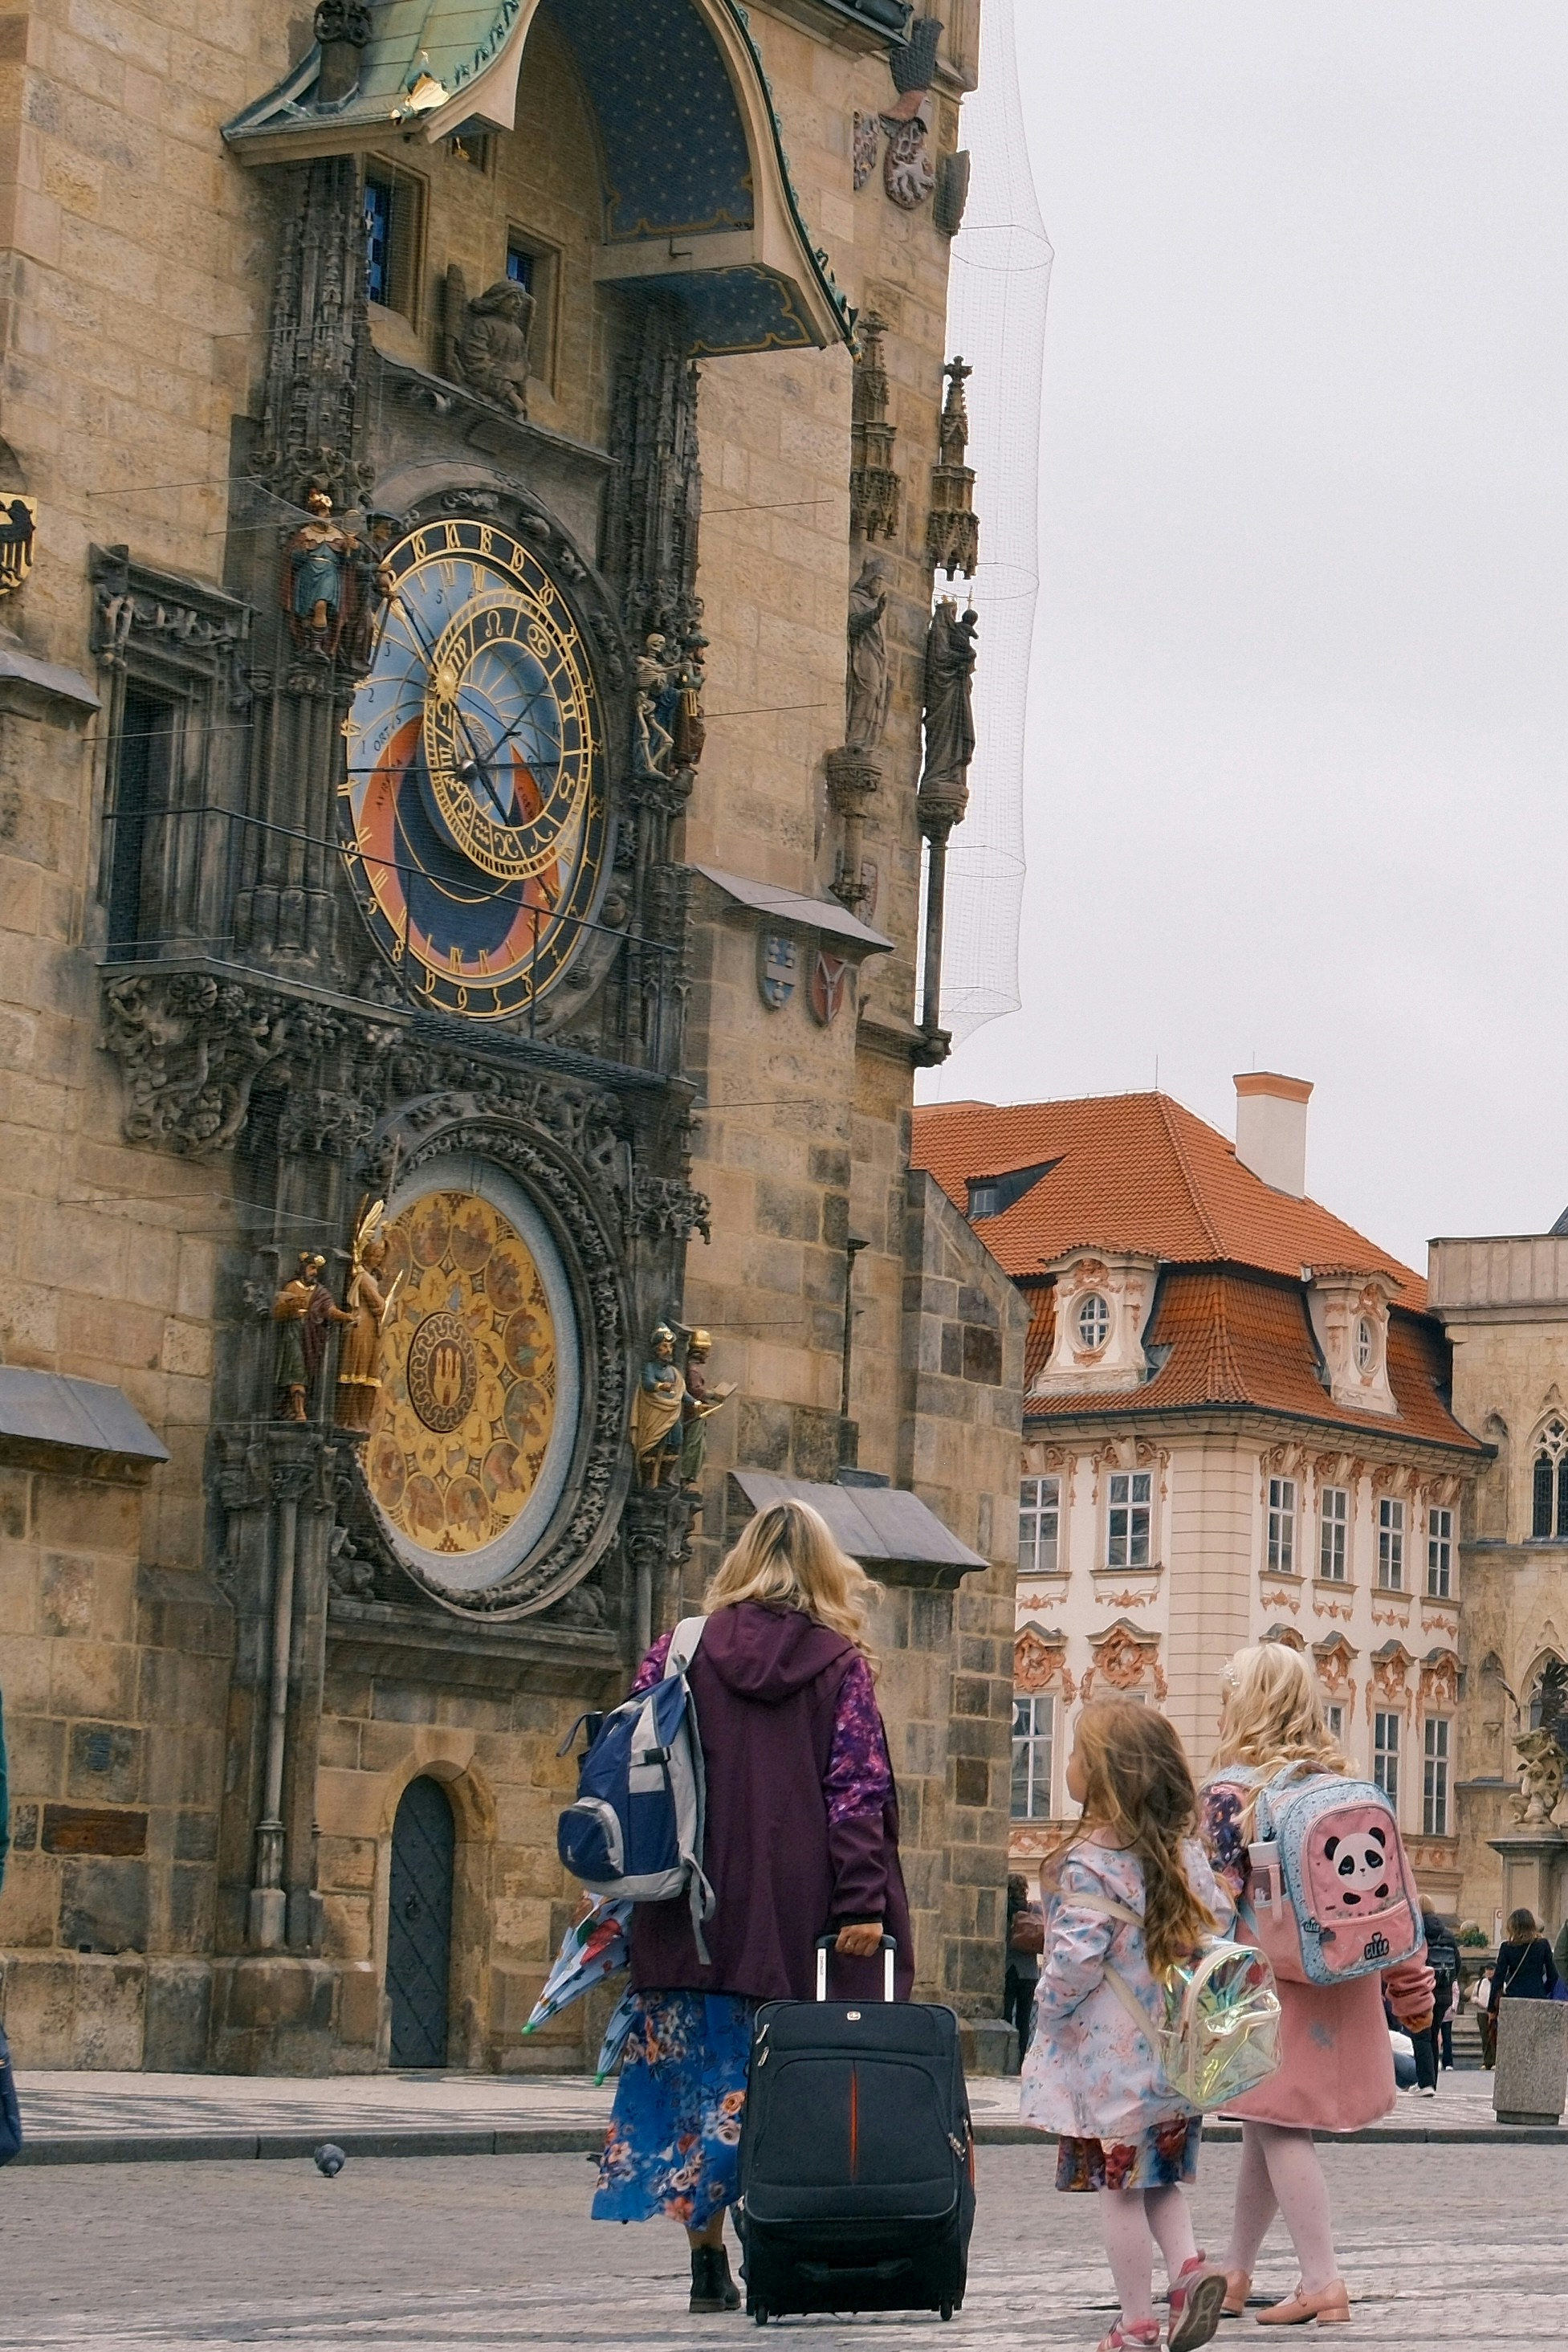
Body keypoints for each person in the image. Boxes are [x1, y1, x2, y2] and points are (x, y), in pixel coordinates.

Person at [592, 1499, 911, 2315]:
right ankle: (772, 2245)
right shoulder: (837, 1663)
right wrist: (863, 1902)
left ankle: (706, 2256)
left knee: (693, 2088)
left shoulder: (679, 1649)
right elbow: (857, 1793)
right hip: (789, 1915)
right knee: (775, 2091)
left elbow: (630, 1758)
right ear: (824, 1571)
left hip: (683, 1904)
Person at [1202, 1645, 1434, 2327]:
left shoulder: (1230, 1792)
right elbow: (1397, 1902)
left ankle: (1320, 2279)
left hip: (1269, 1984)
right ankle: (1236, 2270)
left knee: (1278, 2130)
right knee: (1267, 2122)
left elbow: (1212, 1907)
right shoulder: (1347, 1786)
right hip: (1344, 1980)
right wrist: (1412, 1991)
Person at [1022, 1700, 1231, 2352]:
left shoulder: (1090, 1861)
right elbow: (1217, 1921)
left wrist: (1047, 2008)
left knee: (1117, 2195)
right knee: (1158, 2180)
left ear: (1107, 1775)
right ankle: (1189, 2269)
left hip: (1109, 2069)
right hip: (1173, 2058)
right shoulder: (1183, 1854)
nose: (1069, 1764)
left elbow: (1074, 1962)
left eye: (1078, 1754)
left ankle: (1136, 2321)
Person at [1412, 1910, 1460, 2091]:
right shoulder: (1447, 1934)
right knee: (1433, 2035)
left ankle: (1425, 2084)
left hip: (1422, 1990)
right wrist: (1447, 1984)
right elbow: (1458, 1962)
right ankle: (1432, 2083)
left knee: (1421, 2036)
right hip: (1443, 1993)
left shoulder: (1417, 1932)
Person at [1004, 1872, 1042, 2069]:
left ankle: (1005, 2060)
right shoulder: (1034, 1908)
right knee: (1024, 2019)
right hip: (1029, 1972)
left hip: (1009, 1968)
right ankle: (1020, 2060)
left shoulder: (1004, 1909)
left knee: (1006, 2014)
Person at [1490, 1908, 1560, 2006]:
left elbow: (1498, 1978)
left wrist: (1491, 2008)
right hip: (1538, 1996)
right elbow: (1553, 1975)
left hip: (1514, 1996)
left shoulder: (1507, 1947)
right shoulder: (1543, 1945)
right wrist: (1544, 1991)